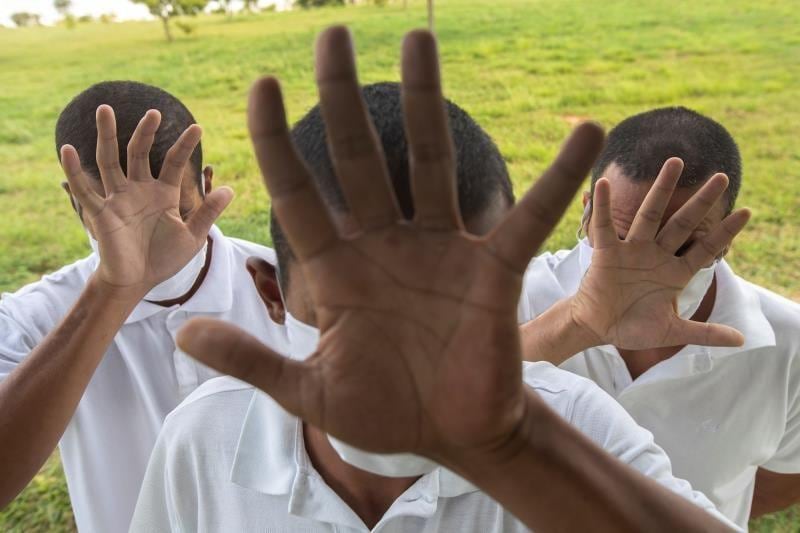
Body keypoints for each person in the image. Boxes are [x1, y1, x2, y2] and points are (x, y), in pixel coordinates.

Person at [132, 27, 740, 532]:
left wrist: (510, 452)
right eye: (351, 309)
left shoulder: (568, 423)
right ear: (271, 292)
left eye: (455, 308)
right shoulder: (203, 439)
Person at [0, 81, 289, 532]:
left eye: (176, 212)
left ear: (208, 183)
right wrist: (115, 289)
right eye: (113, 219)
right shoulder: (32, 318)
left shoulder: (286, 288)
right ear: (75, 201)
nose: (153, 242)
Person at [515, 106, 800, 528]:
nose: (642, 268)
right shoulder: (510, 297)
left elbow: (786, 477)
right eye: (619, 236)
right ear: (587, 210)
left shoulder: (788, 342)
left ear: (726, 238)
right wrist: (577, 324)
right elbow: (427, 415)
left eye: (682, 243)